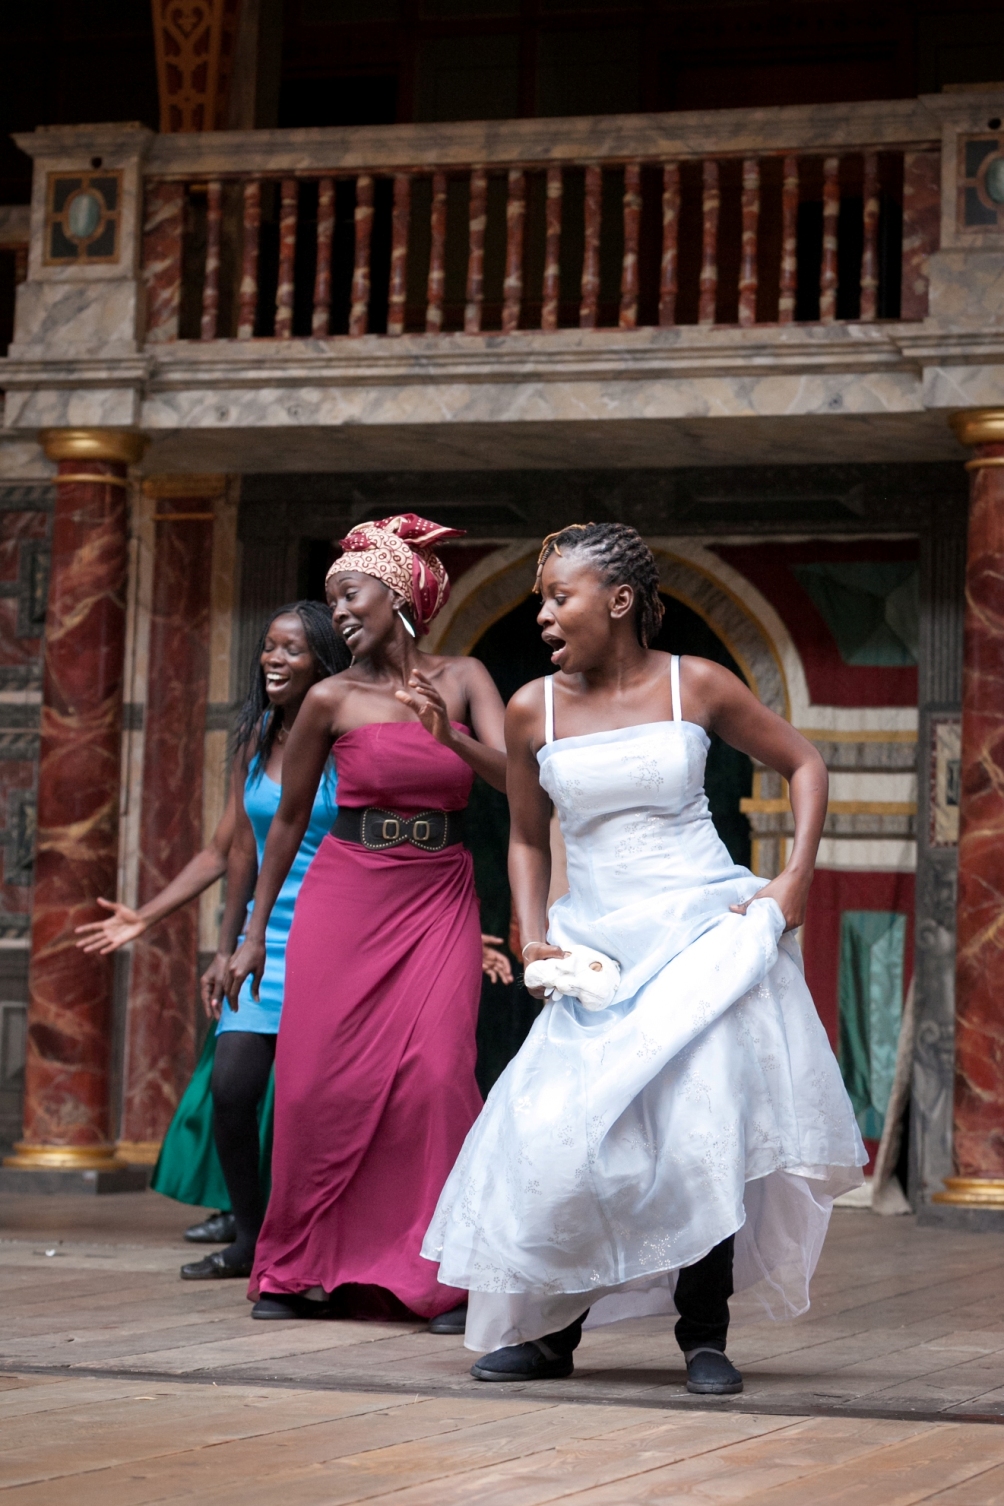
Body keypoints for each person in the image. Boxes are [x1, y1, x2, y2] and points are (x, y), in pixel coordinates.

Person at [423, 522, 866, 1395]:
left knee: (702, 1129)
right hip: (598, 949)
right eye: (542, 598)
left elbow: (804, 764)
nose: (543, 614)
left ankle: (705, 1336)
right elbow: (523, 836)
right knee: (567, 1134)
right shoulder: (530, 708)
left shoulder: (693, 684)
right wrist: (530, 927)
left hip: (706, 931)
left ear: (619, 601)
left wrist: (793, 883)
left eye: (560, 596)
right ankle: (551, 1333)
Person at [225, 514, 507, 1329]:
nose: (339, 614)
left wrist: (443, 733)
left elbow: (522, 785)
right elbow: (283, 824)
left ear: (401, 592)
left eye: (350, 595)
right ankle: (292, 1268)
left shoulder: (464, 678)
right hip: (345, 896)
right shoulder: (329, 697)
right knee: (315, 1086)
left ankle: (439, 1273)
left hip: (439, 896)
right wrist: (251, 935)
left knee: (438, 1078)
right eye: (333, 601)